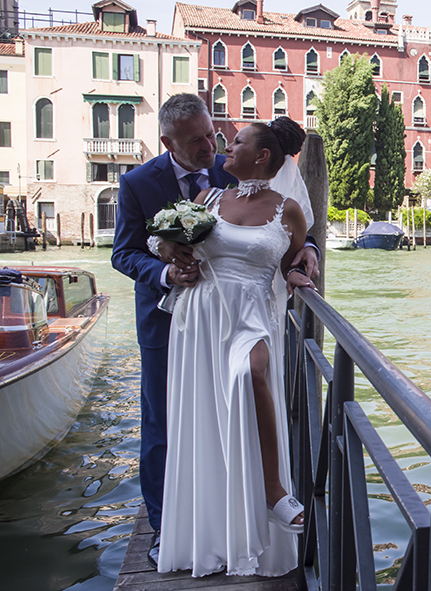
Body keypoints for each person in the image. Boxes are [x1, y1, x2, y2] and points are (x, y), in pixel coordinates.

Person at [110, 93, 318, 567]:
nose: (212, 145)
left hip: (243, 312)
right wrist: (166, 265)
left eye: (213, 134)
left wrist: (307, 259)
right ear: (169, 141)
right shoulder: (138, 183)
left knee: (248, 382)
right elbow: (125, 252)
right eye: (199, 140)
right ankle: (170, 528)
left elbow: (285, 236)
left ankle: (260, 502)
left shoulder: (234, 172)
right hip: (176, 320)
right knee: (167, 424)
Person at [159, 117, 312, 577]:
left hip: (251, 313)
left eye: (238, 141)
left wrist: (300, 270)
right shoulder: (208, 199)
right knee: (207, 416)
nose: (227, 144)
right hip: (202, 315)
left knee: (252, 372)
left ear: (261, 156)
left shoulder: (288, 210)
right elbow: (166, 245)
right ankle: (213, 529)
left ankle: (272, 491)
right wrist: (174, 253)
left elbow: (290, 260)